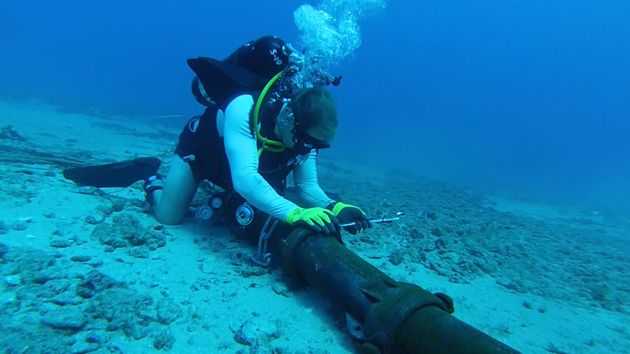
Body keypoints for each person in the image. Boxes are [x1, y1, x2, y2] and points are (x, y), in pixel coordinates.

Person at [144, 35, 371, 236]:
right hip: (204, 153)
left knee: (257, 197)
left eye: (317, 144)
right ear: (290, 118)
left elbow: (307, 187)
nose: (308, 148)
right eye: (308, 141)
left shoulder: (305, 139)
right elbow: (245, 178)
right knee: (168, 217)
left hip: (240, 166)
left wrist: (336, 207)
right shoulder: (244, 107)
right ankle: (153, 182)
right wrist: (294, 212)